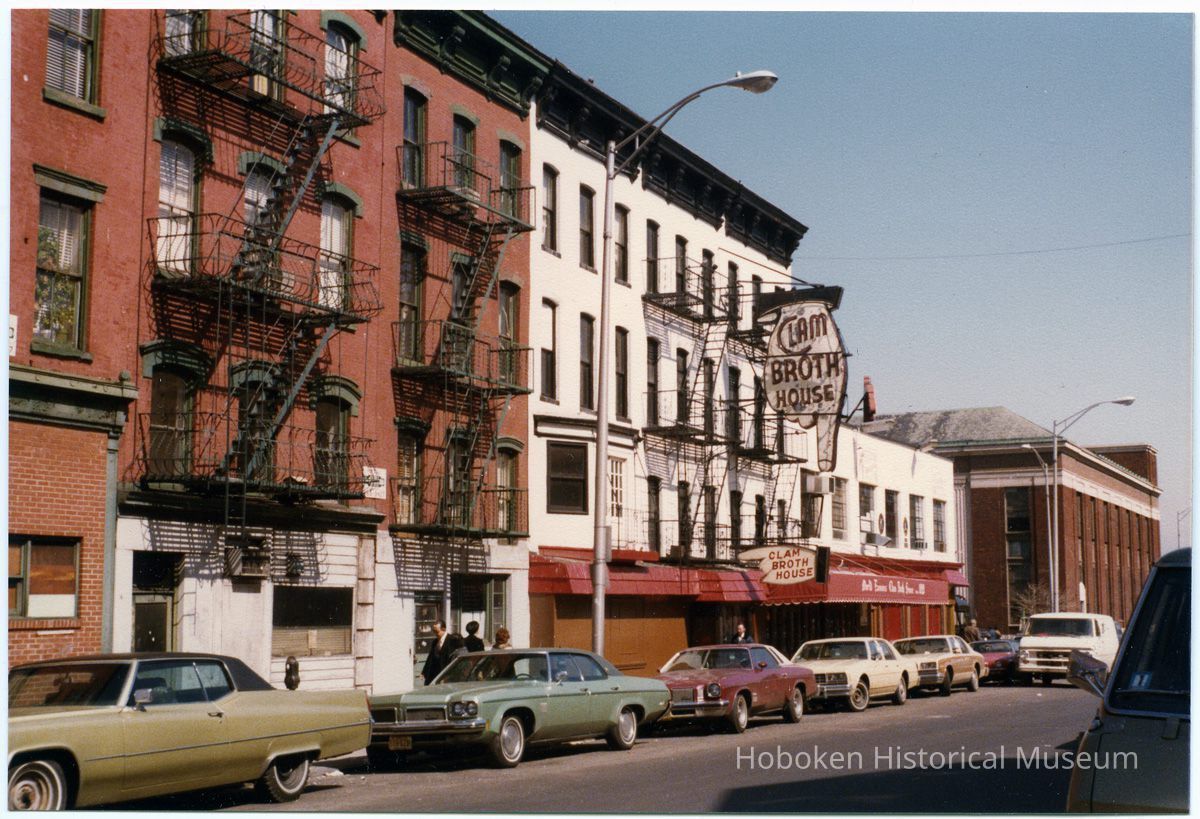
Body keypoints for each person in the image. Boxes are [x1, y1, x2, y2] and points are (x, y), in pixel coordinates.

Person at [421, 620, 450, 685]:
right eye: (434, 631)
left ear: (443, 629)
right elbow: (430, 657)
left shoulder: (451, 640)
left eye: (437, 632)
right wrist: (424, 672)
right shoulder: (435, 642)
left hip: (445, 673)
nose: (435, 634)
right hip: (434, 673)